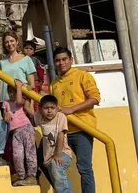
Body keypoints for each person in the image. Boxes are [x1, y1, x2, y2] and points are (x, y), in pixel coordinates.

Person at [51, 46, 100, 193]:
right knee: (48, 161)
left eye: (64, 59)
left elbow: (95, 98)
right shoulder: (54, 83)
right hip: (62, 131)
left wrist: (71, 109)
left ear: (71, 60)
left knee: (84, 167)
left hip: (82, 128)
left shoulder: (82, 76)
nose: (61, 63)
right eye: (57, 60)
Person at [34, 95, 73, 193]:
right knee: (59, 180)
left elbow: (60, 135)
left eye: (52, 108)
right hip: (48, 157)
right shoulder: (40, 117)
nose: (49, 111)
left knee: (57, 167)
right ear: (40, 109)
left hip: (63, 152)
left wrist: (58, 154)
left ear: (57, 108)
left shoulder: (60, 117)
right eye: (46, 108)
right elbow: (28, 109)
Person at [3, 80, 37, 186]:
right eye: (9, 91)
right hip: (15, 132)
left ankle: (31, 176)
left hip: (26, 128)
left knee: (30, 153)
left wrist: (19, 87)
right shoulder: (6, 102)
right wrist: (6, 115)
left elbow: (18, 101)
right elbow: (5, 113)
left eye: (13, 91)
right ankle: (21, 176)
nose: (11, 94)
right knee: (17, 155)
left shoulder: (22, 100)